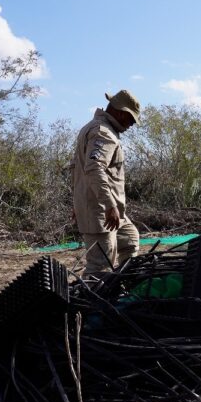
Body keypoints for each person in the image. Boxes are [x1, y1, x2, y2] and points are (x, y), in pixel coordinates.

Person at [71, 90, 141, 276]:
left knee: (129, 239)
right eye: (131, 119)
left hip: (100, 207)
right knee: (101, 266)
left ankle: (125, 284)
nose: (131, 125)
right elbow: (94, 169)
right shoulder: (104, 134)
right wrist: (110, 205)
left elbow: (78, 168)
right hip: (101, 210)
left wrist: (78, 204)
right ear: (120, 112)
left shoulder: (93, 127)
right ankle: (93, 303)